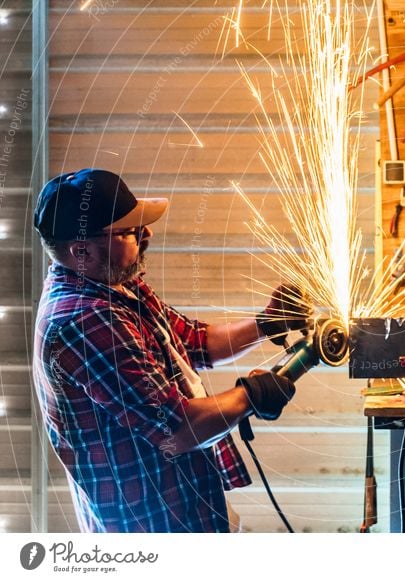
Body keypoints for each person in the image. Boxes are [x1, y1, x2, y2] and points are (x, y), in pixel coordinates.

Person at [32, 169, 309, 533]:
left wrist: (268, 323)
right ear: (81, 250)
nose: (147, 234)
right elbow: (179, 430)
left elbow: (196, 342)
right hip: (150, 524)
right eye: (130, 231)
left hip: (184, 501)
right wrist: (251, 395)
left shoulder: (118, 286)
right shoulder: (86, 322)